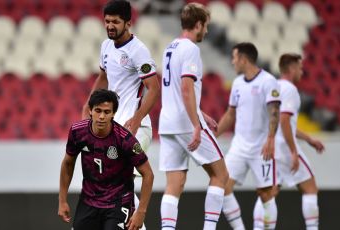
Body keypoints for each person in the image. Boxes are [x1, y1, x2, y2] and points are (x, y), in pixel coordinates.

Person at [81, 1, 160, 228]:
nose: (110, 26)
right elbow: (103, 78)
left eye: (115, 21)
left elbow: (153, 89)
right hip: (114, 127)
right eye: (107, 21)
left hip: (136, 128)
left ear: (128, 22)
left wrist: (136, 120)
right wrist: (88, 105)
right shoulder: (106, 46)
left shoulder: (138, 51)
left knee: (118, 182)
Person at [158, 3, 229, 230]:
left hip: (167, 123)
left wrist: (201, 114)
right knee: (220, 174)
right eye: (205, 26)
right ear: (198, 24)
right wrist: (196, 123)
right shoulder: (191, 49)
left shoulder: (170, 47)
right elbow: (186, 89)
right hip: (185, 123)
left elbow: (176, 89)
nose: (206, 31)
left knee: (174, 184)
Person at [59, 89, 154, 230]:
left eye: (107, 112)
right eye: (98, 110)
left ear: (114, 114)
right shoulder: (78, 132)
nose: (102, 116)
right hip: (89, 201)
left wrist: (141, 212)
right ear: (90, 110)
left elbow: (148, 174)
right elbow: (68, 163)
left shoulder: (125, 139)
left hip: (118, 203)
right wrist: (62, 200)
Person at [252, 53, 324, 230]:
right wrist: (293, 151)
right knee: (310, 188)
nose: (302, 72)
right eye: (300, 68)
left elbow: (284, 123)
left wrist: (309, 139)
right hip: (284, 147)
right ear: (291, 69)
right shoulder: (290, 90)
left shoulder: (272, 87)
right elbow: (284, 120)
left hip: (268, 146)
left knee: (269, 192)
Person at [215, 42, 281, 230]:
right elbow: (230, 114)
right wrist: (214, 136)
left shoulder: (268, 81)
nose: (233, 62)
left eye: (235, 58)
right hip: (239, 146)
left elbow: (274, 111)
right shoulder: (237, 83)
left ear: (244, 59)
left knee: (266, 193)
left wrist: (270, 139)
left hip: (262, 148)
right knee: (223, 186)